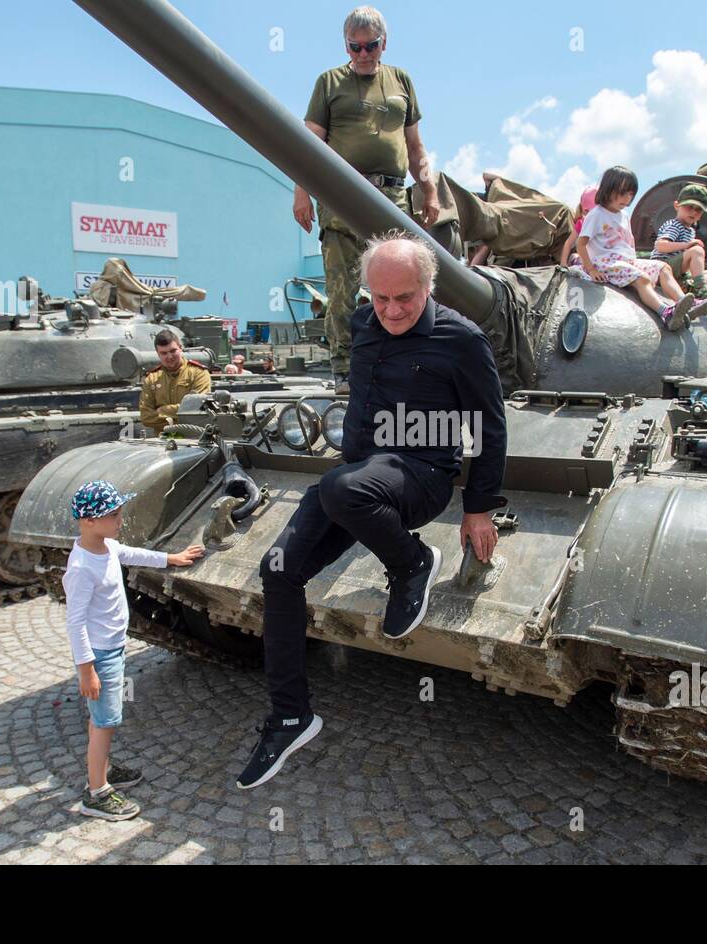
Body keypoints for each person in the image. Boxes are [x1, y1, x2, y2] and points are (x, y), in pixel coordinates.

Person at [237, 232, 507, 789]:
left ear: (429, 287)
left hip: (423, 477)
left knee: (340, 488)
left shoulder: (461, 339)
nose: (391, 310)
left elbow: (490, 424)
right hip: (359, 479)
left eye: (404, 297)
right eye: (379, 298)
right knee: (279, 571)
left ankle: (411, 563)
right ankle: (291, 716)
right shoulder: (363, 324)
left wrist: (479, 509)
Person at [295, 6, 440, 387]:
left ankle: (410, 362)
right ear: (346, 46)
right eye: (354, 47)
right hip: (340, 194)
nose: (362, 54)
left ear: (383, 44)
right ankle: (344, 370)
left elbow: (416, 147)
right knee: (340, 290)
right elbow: (308, 142)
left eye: (370, 46)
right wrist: (301, 193)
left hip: (391, 196)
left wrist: (430, 191)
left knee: (403, 283)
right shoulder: (329, 82)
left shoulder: (401, 81)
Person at [63, 480, 205, 820]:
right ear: (90, 521)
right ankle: (96, 793)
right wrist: (86, 670)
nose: (120, 521)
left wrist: (171, 557)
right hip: (101, 655)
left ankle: (104, 770)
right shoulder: (82, 567)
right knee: (105, 722)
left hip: (110, 647)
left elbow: (131, 554)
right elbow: (75, 623)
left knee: (99, 719)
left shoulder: (105, 547)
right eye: (114, 515)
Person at [571, 166, 707, 332]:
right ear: (608, 189)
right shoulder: (597, 214)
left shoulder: (624, 215)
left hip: (626, 260)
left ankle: (687, 303)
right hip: (604, 262)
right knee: (642, 278)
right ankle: (666, 312)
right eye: (623, 193)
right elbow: (581, 243)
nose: (627, 199)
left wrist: (635, 260)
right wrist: (591, 269)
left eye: (631, 194)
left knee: (663, 267)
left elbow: (628, 240)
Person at [650, 183, 707, 304]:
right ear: (676, 205)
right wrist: (687, 245)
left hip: (678, 272)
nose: (694, 212)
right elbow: (660, 246)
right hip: (662, 269)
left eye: (699, 209)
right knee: (697, 250)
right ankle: (700, 289)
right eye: (689, 206)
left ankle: (690, 286)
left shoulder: (690, 231)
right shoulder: (674, 225)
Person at [138, 329, 211, 433]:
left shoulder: (198, 373)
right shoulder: (151, 379)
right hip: (163, 440)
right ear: (158, 354)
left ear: (180, 348)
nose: (169, 357)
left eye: (173, 351)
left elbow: (197, 408)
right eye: (163, 353)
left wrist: (161, 410)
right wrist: (181, 411)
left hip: (192, 438)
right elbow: (146, 417)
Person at [559, 186, 598, 267]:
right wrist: (563, 264)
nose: (590, 215)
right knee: (574, 256)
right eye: (587, 211)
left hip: (599, 259)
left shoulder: (605, 224)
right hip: (585, 260)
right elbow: (568, 243)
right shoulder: (582, 223)